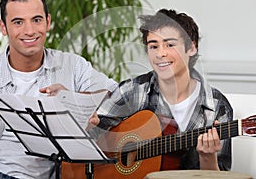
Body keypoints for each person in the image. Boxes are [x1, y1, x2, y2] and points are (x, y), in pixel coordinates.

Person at [0, 0, 117, 179]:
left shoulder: (73, 66)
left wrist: (75, 100)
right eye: (18, 22)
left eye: (36, 20)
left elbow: (118, 95)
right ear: (3, 27)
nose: (30, 31)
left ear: (48, 22)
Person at [89, 9, 233, 173]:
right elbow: (91, 133)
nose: (160, 53)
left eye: (170, 45)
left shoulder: (216, 106)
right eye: (153, 46)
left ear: (191, 48)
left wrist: (208, 158)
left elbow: (219, 174)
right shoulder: (133, 91)